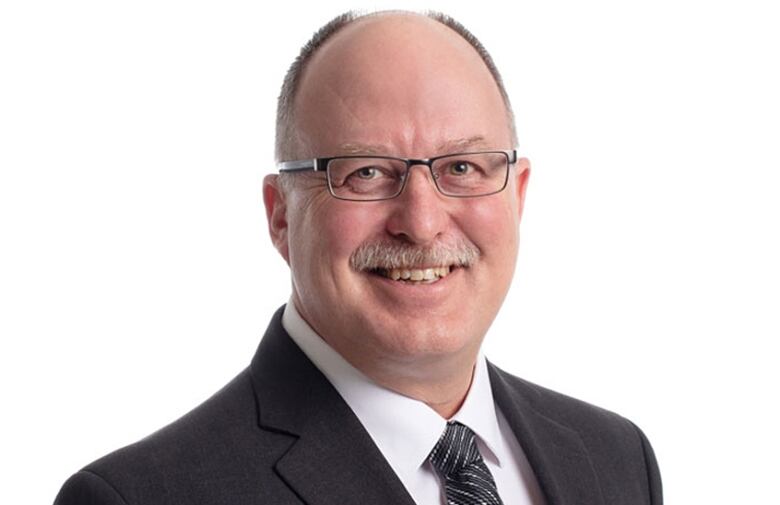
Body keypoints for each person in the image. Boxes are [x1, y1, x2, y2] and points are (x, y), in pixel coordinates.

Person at [54, 10, 662, 505]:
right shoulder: (140, 497)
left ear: (518, 194)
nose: (422, 223)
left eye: (462, 168)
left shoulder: (614, 459)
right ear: (281, 214)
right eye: (366, 172)